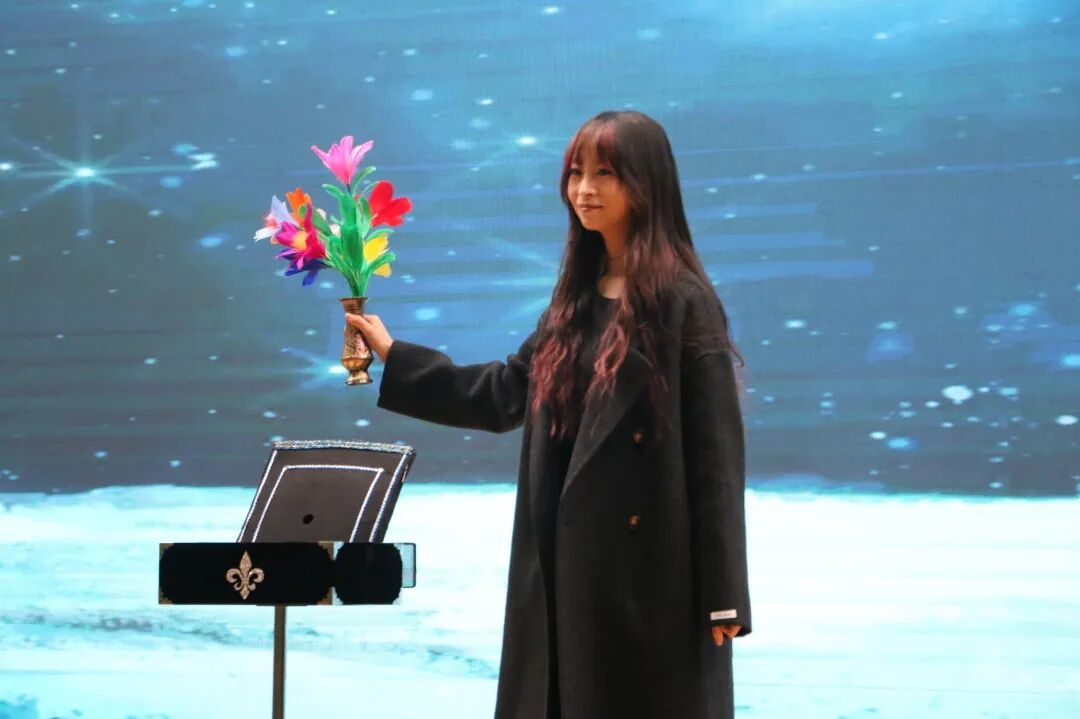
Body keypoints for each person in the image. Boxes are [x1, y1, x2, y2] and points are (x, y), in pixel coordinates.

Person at [347, 110, 751, 719]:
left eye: (605, 174)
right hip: (562, 571)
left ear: (647, 184)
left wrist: (724, 596)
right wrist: (394, 355)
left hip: (650, 581)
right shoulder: (573, 302)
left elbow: (715, 459)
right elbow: (502, 393)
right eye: (575, 173)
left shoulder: (685, 303)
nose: (584, 189)